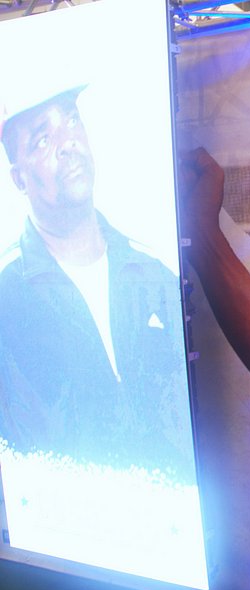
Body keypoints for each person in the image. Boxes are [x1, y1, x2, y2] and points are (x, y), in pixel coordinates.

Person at [0, 85, 192, 475]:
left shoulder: (154, 277)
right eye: (42, 139)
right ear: (19, 179)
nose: (67, 143)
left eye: (71, 120)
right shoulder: (7, 299)